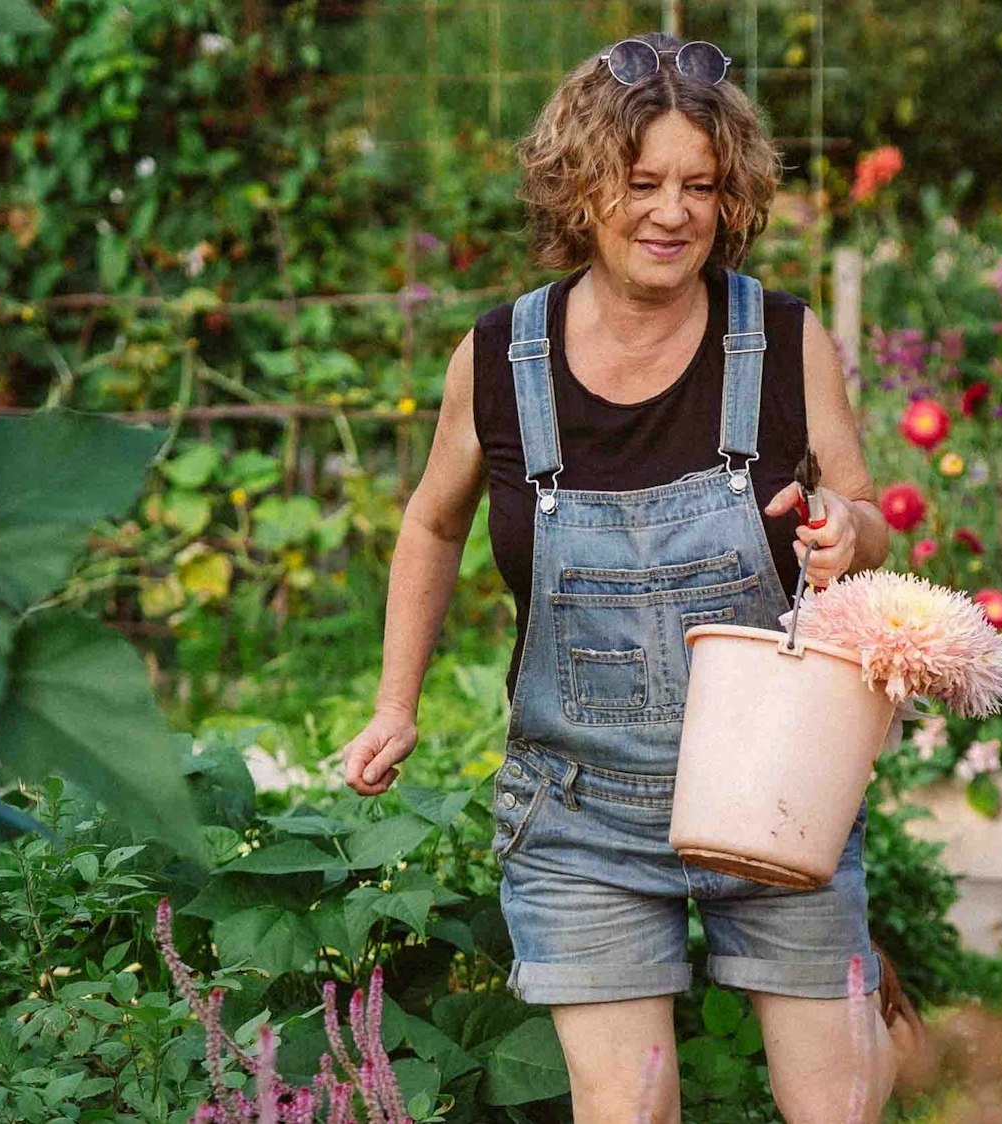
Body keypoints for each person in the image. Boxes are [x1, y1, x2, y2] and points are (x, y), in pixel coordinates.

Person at [339, 31, 898, 1123]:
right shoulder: (501, 359)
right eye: (641, 183)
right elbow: (431, 520)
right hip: (580, 813)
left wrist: (845, 530)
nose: (671, 212)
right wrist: (394, 704)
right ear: (580, 186)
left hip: (781, 793)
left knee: (836, 1106)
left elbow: (866, 515)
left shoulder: (782, 341)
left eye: (700, 185)